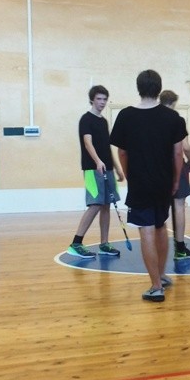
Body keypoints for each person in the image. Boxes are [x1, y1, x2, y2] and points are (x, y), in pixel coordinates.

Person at [110, 70, 187, 302]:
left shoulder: (125, 116)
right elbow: (178, 153)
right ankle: (161, 275)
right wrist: (175, 180)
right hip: (164, 183)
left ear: (138, 88)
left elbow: (122, 152)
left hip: (140, 184)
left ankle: (156, 286)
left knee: (146, 230)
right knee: (161, 226)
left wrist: (128, 175)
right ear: (159, 88)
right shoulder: (173, 118)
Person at [66, 85, 124, 259]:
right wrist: (98, 161)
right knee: (95, 205)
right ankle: (76, 243)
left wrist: (117, 168)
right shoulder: (86, 119)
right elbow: (87, 143)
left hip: (108, 169)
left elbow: (106, 147)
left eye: (105, 99)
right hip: (92, 169)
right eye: (99, 99)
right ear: (92, 100)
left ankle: (104, 244)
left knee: (106, 205)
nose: (102, 102)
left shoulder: (104, 121)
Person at [159, 90, 190, 260]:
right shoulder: (177, 119)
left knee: (159, 206)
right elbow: (185, 146)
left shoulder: (153, 119)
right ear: (174, 103)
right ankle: (180, 248)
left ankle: (157, 247)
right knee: (179, 206)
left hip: (158, 168)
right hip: (176, 165)